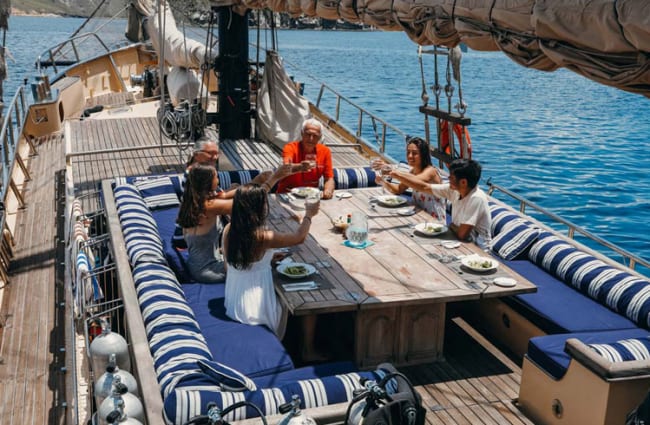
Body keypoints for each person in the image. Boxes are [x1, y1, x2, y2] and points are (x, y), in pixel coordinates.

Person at [222, 185, 321, 360]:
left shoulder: (229, 229)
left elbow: (232, 264)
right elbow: (299, 237)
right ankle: (308, 350)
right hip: (256, 309)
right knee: (306, 297)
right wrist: (309, 215)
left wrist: (266, 259)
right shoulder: (261, 237)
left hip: (234, 301)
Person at [176, 164, 292, 282]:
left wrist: (257, 181)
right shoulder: (208, 206)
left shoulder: (192, 202)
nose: (218, 179)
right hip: (209, 270)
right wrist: (274, 178)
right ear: (207, 182)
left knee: (264, 259)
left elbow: (237, 194)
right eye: (216, 177)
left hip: (196, 265)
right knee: (265, 269)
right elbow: (249, 201)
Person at [389, 158, 492, 249]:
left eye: (451, 177)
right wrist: (397, 175)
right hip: (456, 240)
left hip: (477, 249)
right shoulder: (454, 190)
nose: (448, 179)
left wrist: (451, 225)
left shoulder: (476, 198)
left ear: (463, 182)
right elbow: (424, 187)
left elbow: (462, 234)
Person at [373, 136, 446, 221]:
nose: (410, 156)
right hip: (418, 217)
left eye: (414, 153)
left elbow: (415, 181)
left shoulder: (431, 171)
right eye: (408, 152)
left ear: (423, 155)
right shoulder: (413, 171)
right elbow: (398, 190)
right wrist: (383, 182)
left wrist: (391, 170)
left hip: (434, 221)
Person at [275, 118, 335, 199]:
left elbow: (329, 178)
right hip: (287, 195)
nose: (311, 139)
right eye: (308, 134)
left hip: (311, 196)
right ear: (302, 134)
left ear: (320, 137)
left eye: (315, 136)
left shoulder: (325, 151)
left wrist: (328, 190)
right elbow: (286, 167)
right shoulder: (290, 148)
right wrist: (300, 167)